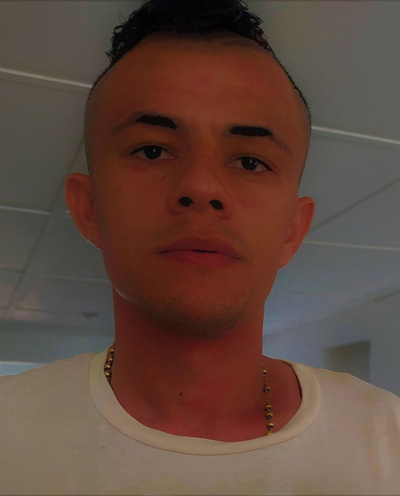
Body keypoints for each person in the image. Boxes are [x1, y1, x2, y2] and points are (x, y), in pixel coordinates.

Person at [1, 0, 399, 494]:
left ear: (293, 231)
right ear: (89, 208)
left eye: (250, 162)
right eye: (152, 150)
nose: (201, 186)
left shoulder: (388, 442)